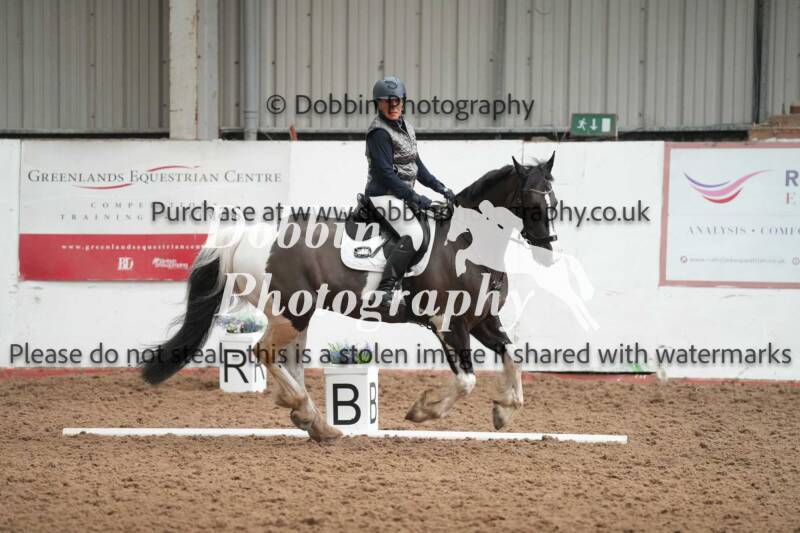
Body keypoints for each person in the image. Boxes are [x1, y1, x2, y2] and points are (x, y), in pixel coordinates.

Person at [364, 76, 455, 313]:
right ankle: (385, 290)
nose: (393, 105)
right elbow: (386, 174)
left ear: (403, 101)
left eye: (397, 100)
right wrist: (415, 198)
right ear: (378, 103)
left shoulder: (407, 127)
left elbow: (417, 165)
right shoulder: (378, 133)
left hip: (400, 195)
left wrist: (440, 187)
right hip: (383, 196)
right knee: (414, 233)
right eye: (387, 101)